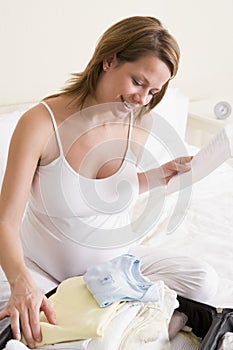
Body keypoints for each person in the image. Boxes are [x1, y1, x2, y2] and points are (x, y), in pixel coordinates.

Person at [0, 15, 218, 348]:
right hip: (45, 272)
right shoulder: (41, 123)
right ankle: (132, 317)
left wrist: (154, 177)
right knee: (41, 330)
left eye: (153, 91)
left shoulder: (139, 121)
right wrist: (21, 284)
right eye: (137, 82)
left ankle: (117, 310)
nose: (142, 99)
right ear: (109, 59)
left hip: (114, 269)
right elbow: (5, 221)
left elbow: (106, 193)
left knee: (202, 281)